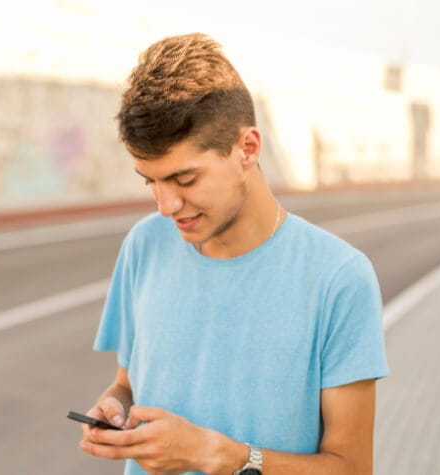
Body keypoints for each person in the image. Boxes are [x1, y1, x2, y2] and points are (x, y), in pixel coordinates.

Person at [77, 33, 389, 475]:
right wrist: (115, 408)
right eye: (151, 181)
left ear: (248, 148)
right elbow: (129, 382)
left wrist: (221, 456)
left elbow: (351, 468)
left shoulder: (339, 277)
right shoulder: (143, 246)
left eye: (185, 180)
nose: (166, 206)